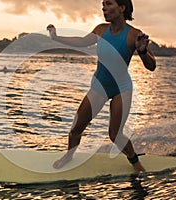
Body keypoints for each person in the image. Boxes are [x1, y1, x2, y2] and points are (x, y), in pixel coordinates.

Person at [47, 0, 156, 172]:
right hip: (100, 86)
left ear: (122, 8)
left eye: (109, 3)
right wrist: (56, 37)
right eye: (103, 4)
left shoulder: (134, 34)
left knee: (115, 135)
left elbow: (151, 66)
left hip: (122, 89)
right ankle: (69, 156)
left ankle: (135, 162)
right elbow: (81, 41)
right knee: (76, 128)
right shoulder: (100, 29)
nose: (104, 7)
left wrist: (142, 51)